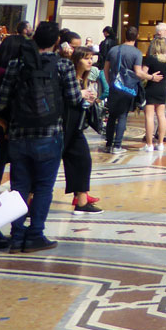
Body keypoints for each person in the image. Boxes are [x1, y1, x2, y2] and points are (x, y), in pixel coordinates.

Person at [0, 21, 91, 253]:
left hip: (18, 134)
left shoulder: (17, 64)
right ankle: (36, 234)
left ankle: (16, 236)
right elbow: (74, 99)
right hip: (49, 134)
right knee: (44, 186)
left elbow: (0, 102)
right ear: (57, 41)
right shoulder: (63, 66)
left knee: (19, 187)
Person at [64, 47, 105, 214]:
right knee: (49, 167)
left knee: (83, 161)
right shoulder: (70, 77)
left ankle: (81, 201)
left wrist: (90, 99)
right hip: (65, 126)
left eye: (91, 58)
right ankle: (29, 200)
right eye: (86, 58)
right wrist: (81, 94)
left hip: (76, 127)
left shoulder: (84, 79)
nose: (90, 61)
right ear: (77, 59)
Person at [103, 26, 155, 154]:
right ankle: (117, 145)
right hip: (127, 87)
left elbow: (105, 69)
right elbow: (138, 72)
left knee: (112, 115)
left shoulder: (113, 50)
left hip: (114, 85)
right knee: (122, 116)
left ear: (124, 35)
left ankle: (108, 144)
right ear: (136, 37)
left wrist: (110, 82)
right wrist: (151, 77)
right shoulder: (136, 53)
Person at [141, 34, 166, 152]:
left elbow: (142, 74)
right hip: (162, 89)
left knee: (149, 116)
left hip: (151, 87)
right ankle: (160, 143)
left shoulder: (150, 59)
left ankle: (149, 144)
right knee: (161, 115)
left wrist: (150, 77)